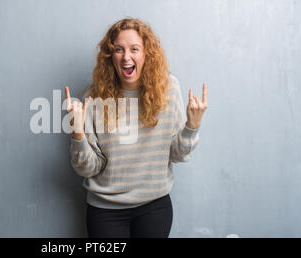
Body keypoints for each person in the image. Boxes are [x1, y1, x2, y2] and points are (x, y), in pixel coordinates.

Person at [64, 18, 207, 238]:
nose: (126, 57)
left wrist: (192, 126)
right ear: (110, 56)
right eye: (119, 50)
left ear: (146, 54)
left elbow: (177, 155)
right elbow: (88, 169)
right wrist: (77, 132)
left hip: (154, 207)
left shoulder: (168, 89)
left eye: (134, 49)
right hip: (105, 211)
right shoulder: (93, 100)